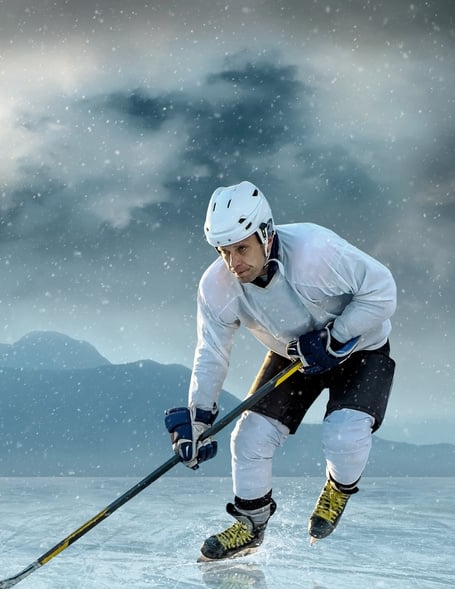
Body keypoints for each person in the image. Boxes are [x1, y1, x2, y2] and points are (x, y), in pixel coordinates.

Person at [165, 181, 396, 561]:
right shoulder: (217, 286)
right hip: (294, 357)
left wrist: (336, 336)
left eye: (241, 248)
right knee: (249, 437)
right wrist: (198, 418)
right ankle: (250, 526)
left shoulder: (316, 252)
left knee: (344, 435)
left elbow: (383, 291)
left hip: (362, 348)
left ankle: (338, 488)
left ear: (266, 234)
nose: (232, 263)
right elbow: (211, 351)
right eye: (224, 252)